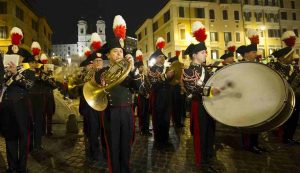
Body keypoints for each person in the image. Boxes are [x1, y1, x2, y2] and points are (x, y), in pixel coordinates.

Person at [96, 15, 141, 173]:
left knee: (126, 145)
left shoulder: (130, 71)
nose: (119, 54)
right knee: (113, 146)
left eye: (120, 52)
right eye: (115, 52)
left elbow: (139, 88)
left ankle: (126, 169)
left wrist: (134, 68)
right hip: (111, 112)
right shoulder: (102, 72)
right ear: (108, 55)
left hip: (127, 111)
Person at [181, 21, 220, 172]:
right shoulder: (188, 71)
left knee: (210, 131)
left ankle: (209, 154)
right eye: (203, 52)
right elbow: (194, 89)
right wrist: (211, 91)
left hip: (209, 105)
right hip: (199, 106)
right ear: (194, 55)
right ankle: (201, 161)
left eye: (205, 52)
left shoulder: (206, 69)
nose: (206, 54)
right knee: (200, 133)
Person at [0, 27, 35, 173]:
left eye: (17, 57)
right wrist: (6, 73)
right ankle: (12, 166)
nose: (14, 59)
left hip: (21, 108)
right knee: (10, 138)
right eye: (10, 56)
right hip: (7, 109)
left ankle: (22, 167)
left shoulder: (27, 72)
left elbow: (29, 85)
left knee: (23, 138)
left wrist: (16, 74)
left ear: (21, 59)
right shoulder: (3, 73)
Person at [238, 29, 267, 154]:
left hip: (255, 99)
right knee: (247, 124)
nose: (256, 54)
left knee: (256, 124)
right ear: (247, 54)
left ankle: (255, 143)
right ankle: (248, 145)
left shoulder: (256, 64)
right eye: (254, 52)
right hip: (245, 100)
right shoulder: (241, 66)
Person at [270, 30, 300, 145]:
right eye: (290, 55)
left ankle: (289, 137)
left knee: (293, 120)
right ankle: (284, 137)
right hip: (281, 97)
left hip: (295, 98)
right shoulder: (275, 66)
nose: (293, 57)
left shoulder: (294, 68)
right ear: (284, 57)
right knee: (283, 120)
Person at [148, 37, 174, 144]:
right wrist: (165, 76)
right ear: (156, 58)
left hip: (167, 95)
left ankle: (165, 137)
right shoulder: (152, 69)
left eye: (163, 57)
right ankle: (158, 139)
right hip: (157, 96)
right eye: (160, 56)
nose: (162, 58)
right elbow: (154, 80)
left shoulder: (168, 68)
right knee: (158, 117)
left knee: (166, 117)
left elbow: (173, 80)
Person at [135, 50, 152, 136]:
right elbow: (139, 88)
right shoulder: (137, 77)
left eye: (142, 66)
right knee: (142, 114)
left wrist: (149, 93)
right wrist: (146, 94)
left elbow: (149, 85)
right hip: (141, 97)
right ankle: (142, 129)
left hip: (147, 97)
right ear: (138, 68)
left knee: (147, 114)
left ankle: (146, 129)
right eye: (141, 67)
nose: (142, 68)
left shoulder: (145, 76)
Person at [169, 50, 186, 128]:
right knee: (178, 106)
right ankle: (178, 122)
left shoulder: (172, 66)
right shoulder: (180, 65)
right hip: (179, 87)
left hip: (173, 88)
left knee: (174, 106)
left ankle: (175, 122)